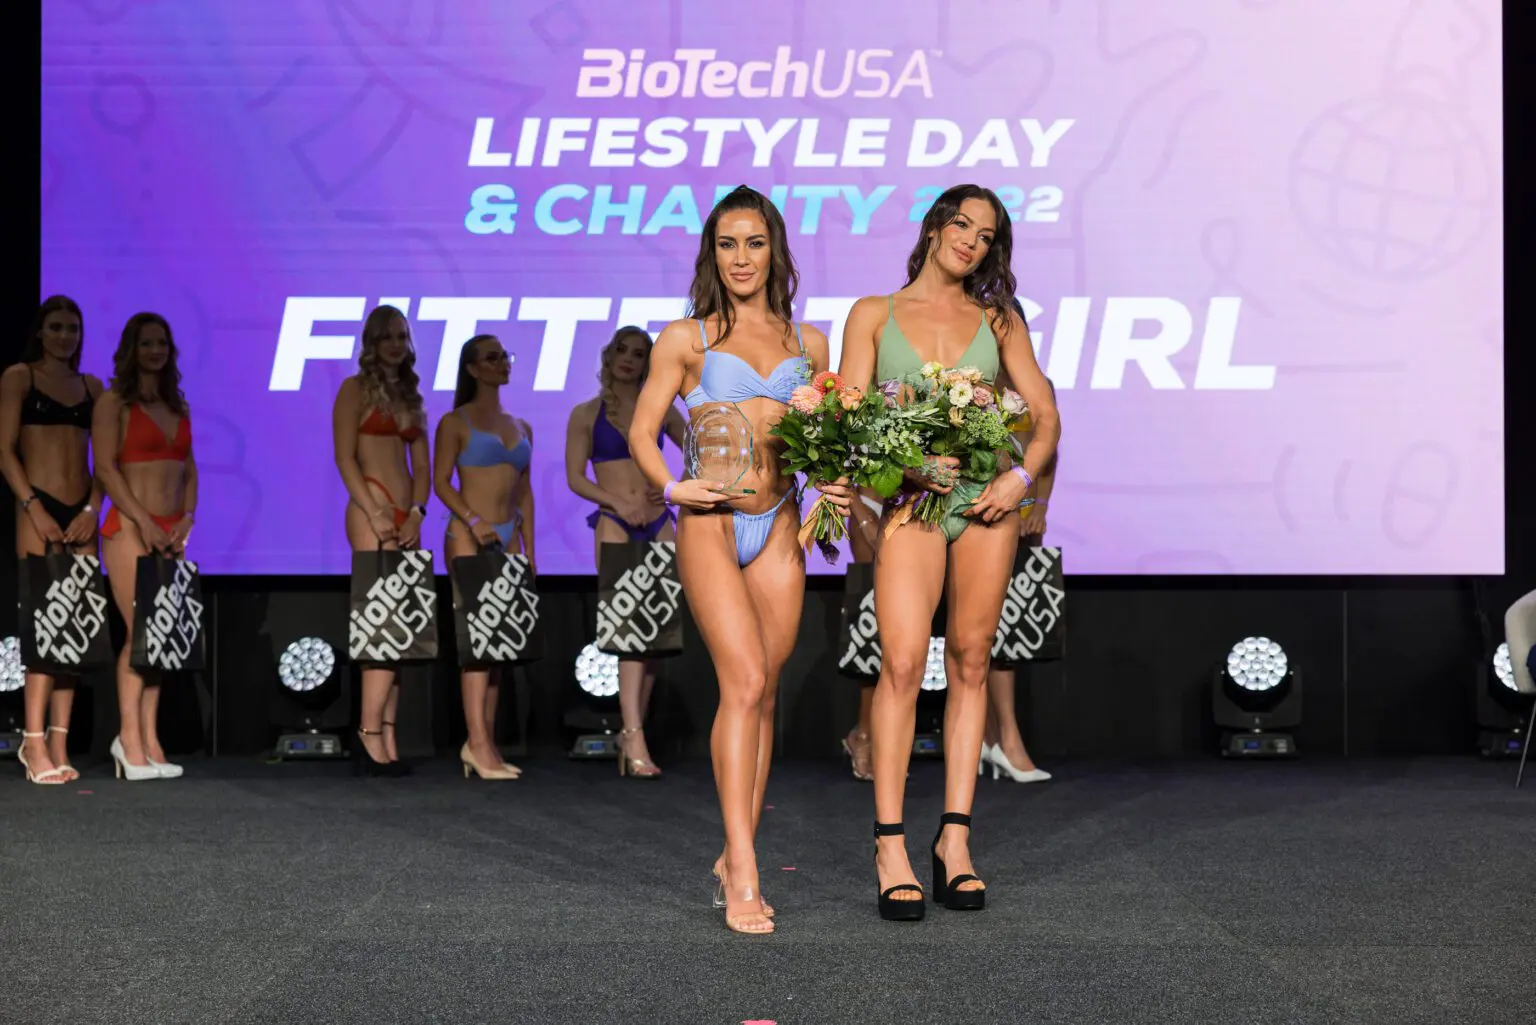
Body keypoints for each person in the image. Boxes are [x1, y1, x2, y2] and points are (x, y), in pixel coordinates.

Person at [829, 184, 1060, 920]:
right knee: (901, 665)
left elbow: (1045, 414)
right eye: (963, 225)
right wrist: (906, 467)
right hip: (910, 500)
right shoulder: (873, 313)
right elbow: (848, 423)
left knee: (971, 660)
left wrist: (1020, 480)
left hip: (987, 502)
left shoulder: (997, 319)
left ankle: (954, 841)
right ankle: (890, 845)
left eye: (987, 236)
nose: (972, 241)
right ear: (934, 228)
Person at [627, 185, 843, 935]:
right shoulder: (685, 338)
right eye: (727, 244)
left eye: (754, 243)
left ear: (774, 249)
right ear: (711, 253)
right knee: (744, 680)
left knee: (765, 692)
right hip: (712, 521)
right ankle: (745, 868)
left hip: (778, 522)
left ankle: (733, 852)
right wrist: (670, 486)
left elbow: (821, 443)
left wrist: (832, 483)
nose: (741, 258)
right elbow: (643, 429)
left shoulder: (808, 344)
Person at [565, 325, 688, 778]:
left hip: (658, 521)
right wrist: (617, 503)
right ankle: (633, 734)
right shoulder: (586, 413)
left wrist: (672, 489)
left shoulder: (661, 408)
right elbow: (575, 477)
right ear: (609, 355)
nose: (629, 359)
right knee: (628, 632)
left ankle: (633, 732)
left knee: (654, 634)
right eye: (622, 350)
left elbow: (700, 448)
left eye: (638, 353)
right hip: (615, 523)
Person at [92, 313, 199, 782]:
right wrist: (144, 521)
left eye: (162, 343)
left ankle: (151, 741)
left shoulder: (178, 404)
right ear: (131, 350)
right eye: (147, 343)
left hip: (172, 531)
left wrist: (187, 519)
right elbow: (106, 469)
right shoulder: (114, 401)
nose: (155, 351)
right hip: (130, 527)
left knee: (161, 639)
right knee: (140, 634)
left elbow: (190, 469)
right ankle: (128, 740)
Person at [0, 296, 103, 783]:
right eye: (56, 327)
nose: (65, 336)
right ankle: (33, 740)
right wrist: (32, 506)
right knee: (43, 630)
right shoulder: (19, 377)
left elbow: (106, 461)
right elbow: (4, 451)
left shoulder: (92, 387)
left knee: (75, 632)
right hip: (36, 504)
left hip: (81, 511)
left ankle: (59, 742)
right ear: (41, 331)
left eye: (73, 328)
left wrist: (92, 509)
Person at [331, 304, 430, 778]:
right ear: (371, 343)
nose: (395, 344)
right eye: (386, 336)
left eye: (401, 336)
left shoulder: (410, 395)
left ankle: (388, 734)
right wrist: (373, 510)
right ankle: (368, 732)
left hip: (406, 515)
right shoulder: (354, 390)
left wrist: (418, 512)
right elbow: (344, 457)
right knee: (381, 628)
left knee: (401, 632)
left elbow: (423, 466)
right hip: (370, 508)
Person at [433, 333, 532, 782]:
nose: (501, 363)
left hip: (508, 536)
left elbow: (525, 493)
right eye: (491, 358)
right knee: (477, 646)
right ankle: (476, 743)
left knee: (498, 646)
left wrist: (529, 549)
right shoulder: (455, 421)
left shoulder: (521, 425)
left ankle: (486, 745)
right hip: (468, 534)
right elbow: (441, 482)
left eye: (504, 356)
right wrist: (472, 520)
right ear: (472, 368)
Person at [980, 375, 1058, 783]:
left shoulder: (1037, 384)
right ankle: (994, 737)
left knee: (1006, 633)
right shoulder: (972, 380)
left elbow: (1048, 450)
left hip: (1023, 515)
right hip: (979, 509)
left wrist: (1039, 505)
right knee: (977, 635)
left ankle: (1001, 738)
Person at [839, 486, 883, 781]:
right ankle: (864, 734)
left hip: (911, 503)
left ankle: (880, 737)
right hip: (868, 499)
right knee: (873, 629)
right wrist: (856, 504)